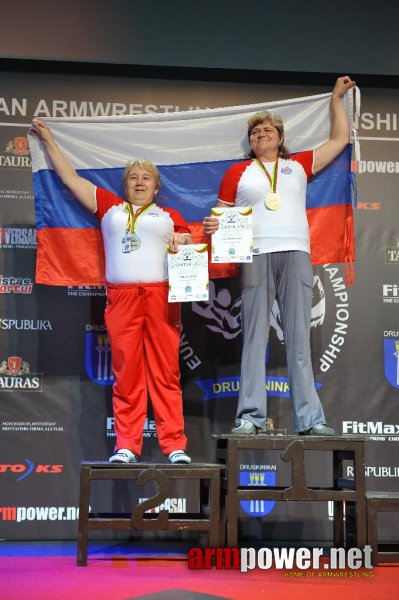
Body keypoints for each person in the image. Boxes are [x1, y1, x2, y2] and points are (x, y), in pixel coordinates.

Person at [31, 119, 192, 463]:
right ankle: (127, 445)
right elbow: (71, 179)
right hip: (121, 299)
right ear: (124, 185)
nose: (139, 182)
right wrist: (48, 141)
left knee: (166, 373)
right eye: (133, 177)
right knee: (126, 373)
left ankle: (174, 445)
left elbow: (189, 240)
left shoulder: (169, 214)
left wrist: (183, 238)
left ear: (156, 187)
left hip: (161, 297)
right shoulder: (110, 208)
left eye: (146, 177)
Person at [203, 76, 355, 436]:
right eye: (255, 132)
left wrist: (336, 100)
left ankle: (311, 419)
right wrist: (212, 226)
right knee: (254, 336)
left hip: (296, 252)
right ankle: (250, 416)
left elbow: (340, 140)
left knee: (298, 337)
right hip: (255, 253)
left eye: (268, 130)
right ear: (250, 141)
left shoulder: (298, 165)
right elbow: (220, 215)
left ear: (281, 137)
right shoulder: (236, 172)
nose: (261, 135)